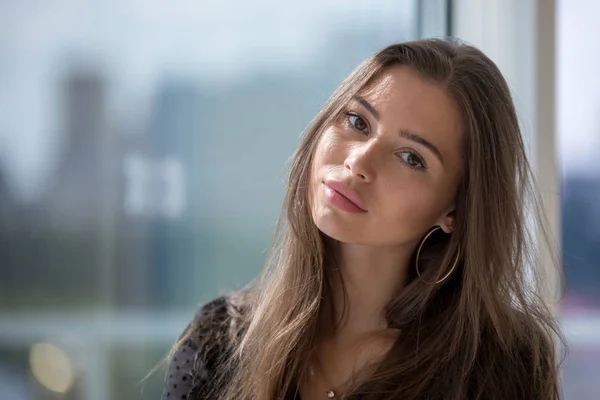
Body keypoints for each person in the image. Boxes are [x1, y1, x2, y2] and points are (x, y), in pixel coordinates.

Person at [160, 38, 563, 400]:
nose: (359, 162)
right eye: (357, 122)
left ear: (454, 211)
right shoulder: (216, 343)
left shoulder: (500, 369)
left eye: (411, 157)